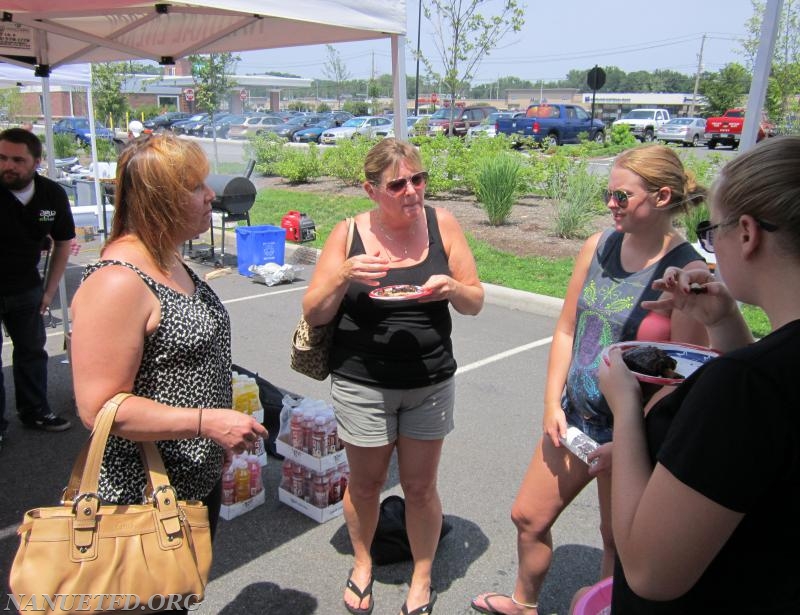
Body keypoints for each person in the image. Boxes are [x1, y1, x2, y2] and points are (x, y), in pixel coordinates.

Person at [471, 144, 711, 615]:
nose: (610, 205)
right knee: (528, 516)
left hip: (634, 436)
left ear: (662, 197)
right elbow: (565, 329)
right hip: (576, 419)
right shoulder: (598, 246)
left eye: (621, 197)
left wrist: (628, 444)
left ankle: (605, 609)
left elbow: (682, 383)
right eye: (609, 195)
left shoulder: (686, 273)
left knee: (618, 542)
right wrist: (551, 405)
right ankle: (524, 603)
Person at [599, 136, 800, 613]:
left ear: (747, 233)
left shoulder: (744, 387)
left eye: (713, 230)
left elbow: (650, 572)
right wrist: (725, 324)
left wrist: (626, 408)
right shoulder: (766, 373)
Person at [302, 138, 484, 615]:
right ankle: (362, 564)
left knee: (421, 487)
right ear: (371, 189)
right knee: (365, 485)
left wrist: (452, 288)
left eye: (418, 179)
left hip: (430, 380)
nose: (412, 191)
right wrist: (343, 275)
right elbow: (315, 313)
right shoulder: (348, 234)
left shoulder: (442, 224)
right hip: (362, 381)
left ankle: (421, 578)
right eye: (397, 183)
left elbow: (475, 301)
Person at [69, 135, 266, 569]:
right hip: (141, 495)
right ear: (159, 200)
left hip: (191, 482)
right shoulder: (118, 281)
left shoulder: (167, 259)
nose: (211, 195)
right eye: (196, 187)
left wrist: (211, 436)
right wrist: (206, 422)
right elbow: (99, 409)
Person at [0, 127, 76, 450]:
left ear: (36, 162)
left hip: (26, 288)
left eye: (18, 159)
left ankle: (35, 411)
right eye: (2, 158)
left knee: (32, 350)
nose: (8, 166)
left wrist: (50, 290)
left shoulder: (52, 195)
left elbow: (63, 242)